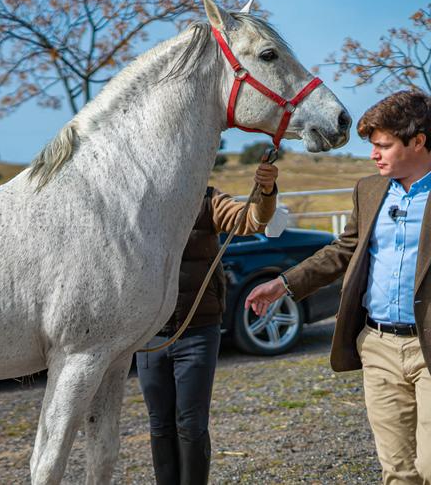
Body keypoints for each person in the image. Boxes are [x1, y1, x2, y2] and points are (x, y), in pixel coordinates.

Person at [245, 90, 431, 484]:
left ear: (418, 142)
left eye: (383, 146)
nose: (373, 155)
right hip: (378, 346)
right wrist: (283, 284)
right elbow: (343, 250)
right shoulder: (369, 189)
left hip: (427, 345)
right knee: (397, 471)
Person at [137, 161, 279, 485]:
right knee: (159, 423)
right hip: (149, 335)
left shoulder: (207, 200)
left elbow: (253, 220)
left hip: (197, 331)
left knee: (191, 422)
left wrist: (267, 191)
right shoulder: (136, 203)